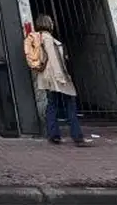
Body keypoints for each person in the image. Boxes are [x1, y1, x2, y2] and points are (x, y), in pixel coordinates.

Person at [32, 14, 90, 147]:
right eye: (51, 22)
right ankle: (77, 136)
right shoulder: (48, 39)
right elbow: (54, 60)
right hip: (56, 77)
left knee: (51, 105)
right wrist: (62, 77)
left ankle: (53, 135)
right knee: (70, 103)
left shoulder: (38, 38)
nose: (52, 23)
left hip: (45, 78)